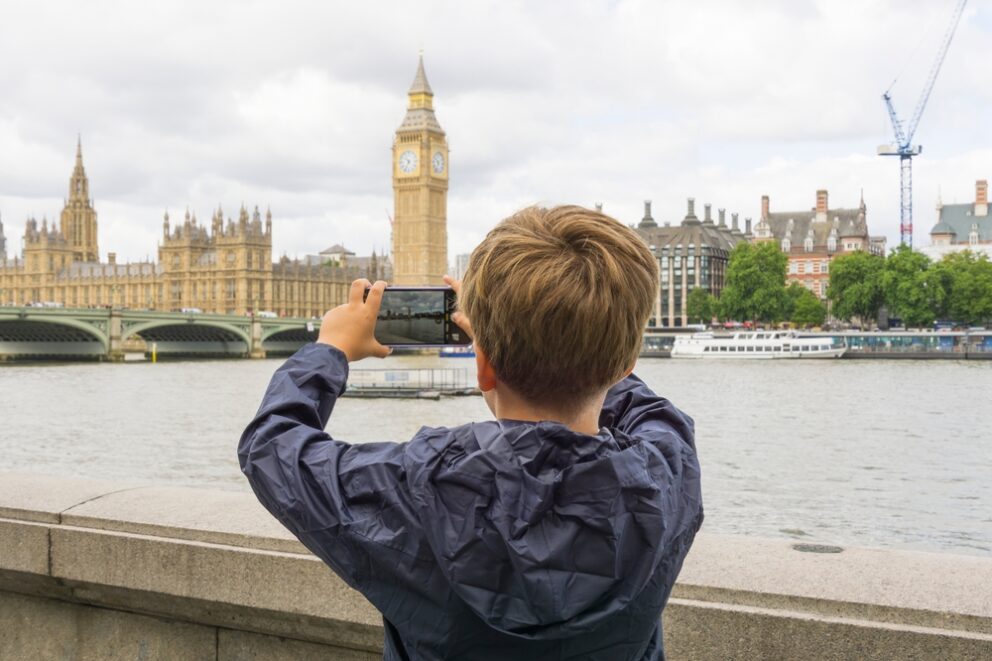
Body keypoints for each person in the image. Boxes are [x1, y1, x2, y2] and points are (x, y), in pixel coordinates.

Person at [239, 205, 703, 660]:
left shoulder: (415, 487)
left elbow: (272, 445)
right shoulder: (668, 470)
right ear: (624, 364)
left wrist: (331, 349)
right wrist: (547, 327)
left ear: (481, 366)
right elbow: (641, 399)